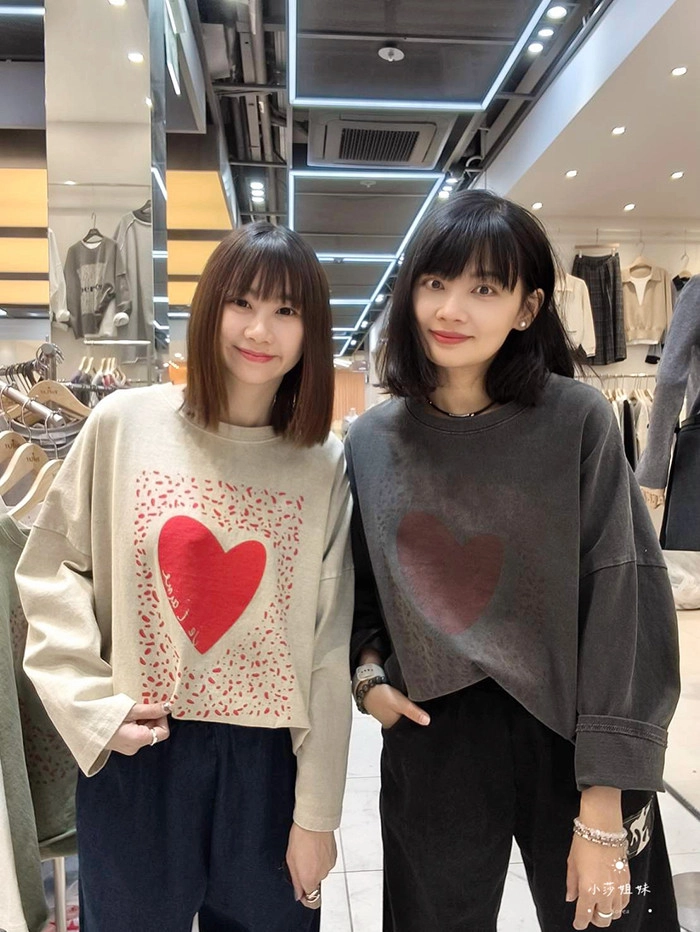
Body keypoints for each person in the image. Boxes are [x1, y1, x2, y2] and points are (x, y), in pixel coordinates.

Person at [346, 191, 681, 932]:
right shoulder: (371, 441)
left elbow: (622, 595)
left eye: (484, 289)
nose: (450, 309)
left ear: (528, 308)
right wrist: (368, 681)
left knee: (612, 920)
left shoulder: (577, 420)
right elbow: (358, 593)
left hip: (571, 732)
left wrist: (605, 793)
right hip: (433, 734)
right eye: (435, 282)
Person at [16, 222, 354, 932]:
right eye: (241, 302)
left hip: (268, 766)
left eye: (286, 310)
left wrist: (318, 815)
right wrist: (90, 707)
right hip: (140, 749)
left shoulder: (321, 463)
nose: (260, 329)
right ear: (209, 308)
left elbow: (328, 648)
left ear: (311, 331)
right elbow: (52, 567)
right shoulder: (123, 424)